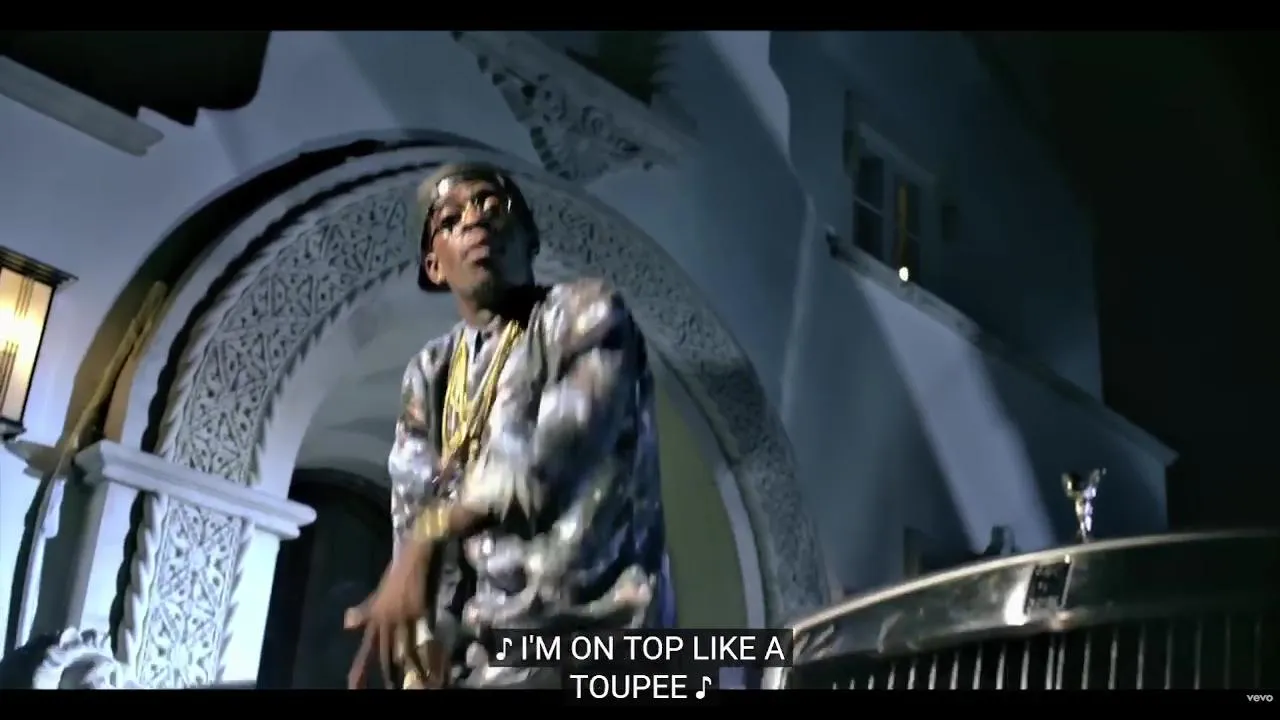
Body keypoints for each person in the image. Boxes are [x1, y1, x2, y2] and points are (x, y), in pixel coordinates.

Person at [343, 162, 673, 689]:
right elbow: (413, 511)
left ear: (528, 238)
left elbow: (544, 466)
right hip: (487, 652)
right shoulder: (429, 371)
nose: (475, 221)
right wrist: (420, 641)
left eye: (492, 207)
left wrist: (429, 535)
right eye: (450, 220)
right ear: (434, 265)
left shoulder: (584, 312)